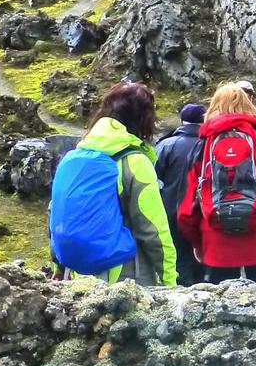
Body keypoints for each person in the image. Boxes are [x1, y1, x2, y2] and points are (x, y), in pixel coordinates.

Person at [177, 81, 256, 301]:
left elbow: (187, 209)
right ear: (248, 103)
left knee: (222, 311)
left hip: (217, 243)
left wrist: (198, 243)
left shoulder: (202, 145)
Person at [69, 82, 177, 286]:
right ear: (144, 119)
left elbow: (58, 215)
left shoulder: (76, 156)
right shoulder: (135, 161)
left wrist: (59, 266)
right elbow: (153, 229)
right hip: (127, 277)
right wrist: (170, 280)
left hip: (81, 275)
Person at [153, 101, 206, 284]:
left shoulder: (166, 145)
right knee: (202, 261)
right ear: (203, 121)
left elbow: (153, 178)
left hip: (170, 214)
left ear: (182, 121)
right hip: (202, 214)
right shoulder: (209, 144)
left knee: (178, 261)